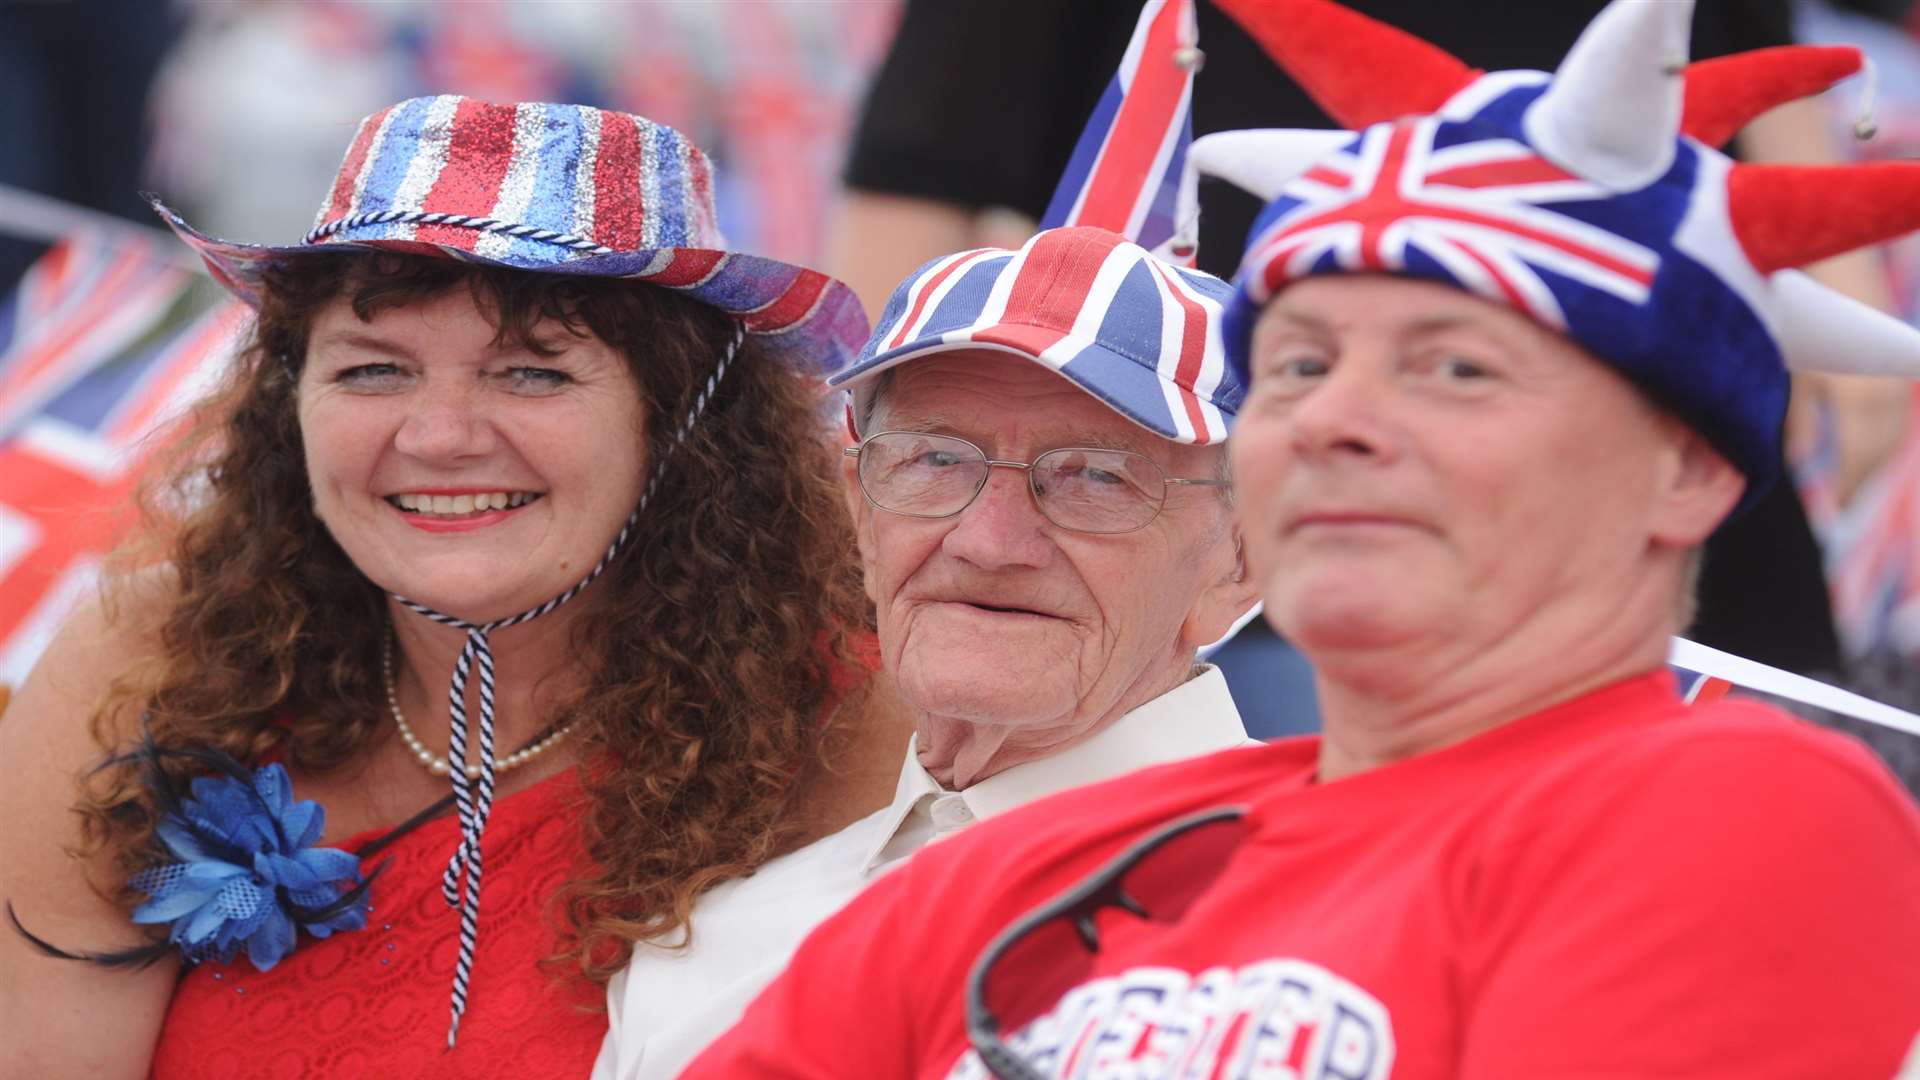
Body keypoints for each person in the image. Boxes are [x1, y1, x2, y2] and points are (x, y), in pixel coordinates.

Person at [684, 2, 1920, 1076]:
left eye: (1454, 367)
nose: (1335, 419)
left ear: (1686, 471)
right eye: (1299, 364)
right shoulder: (1029, 863)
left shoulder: (1738, 808)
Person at [0, 95, 904, 1078]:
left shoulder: (854, 725)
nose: (437, 438)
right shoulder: (148, 667)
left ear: (683, 424)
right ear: (287, 402)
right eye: (373, 372)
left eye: (531, 374)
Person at [595, 224, 1263, 1079]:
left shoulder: (1358, 913)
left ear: (1244, 559)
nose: (988, 540)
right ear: (860, 517)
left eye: (1097, 475)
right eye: (936, 459)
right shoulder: (705, 948)